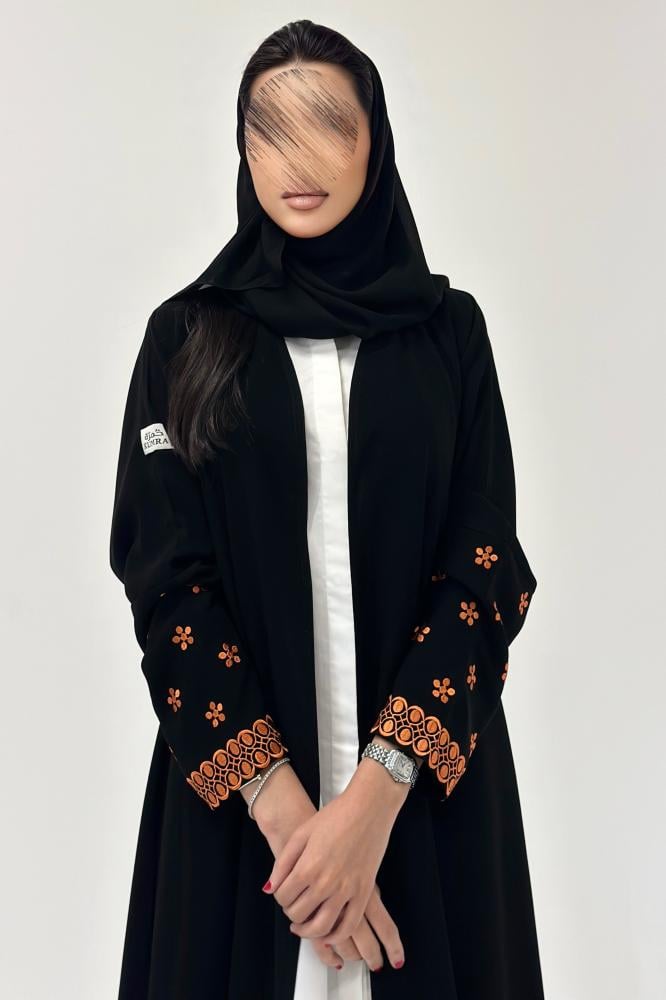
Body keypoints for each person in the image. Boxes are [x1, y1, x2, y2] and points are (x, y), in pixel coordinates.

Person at [109, 19, 545, 1000]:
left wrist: (372, 803)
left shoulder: (448, 335)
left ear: (374, 144)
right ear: (241, 149)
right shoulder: (185, 338)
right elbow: (165, 582)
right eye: (269, 130)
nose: (297, 158)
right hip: (236, 823)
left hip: (429, 809)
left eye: (327, 125)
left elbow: (485, 570)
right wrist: (299, 831)